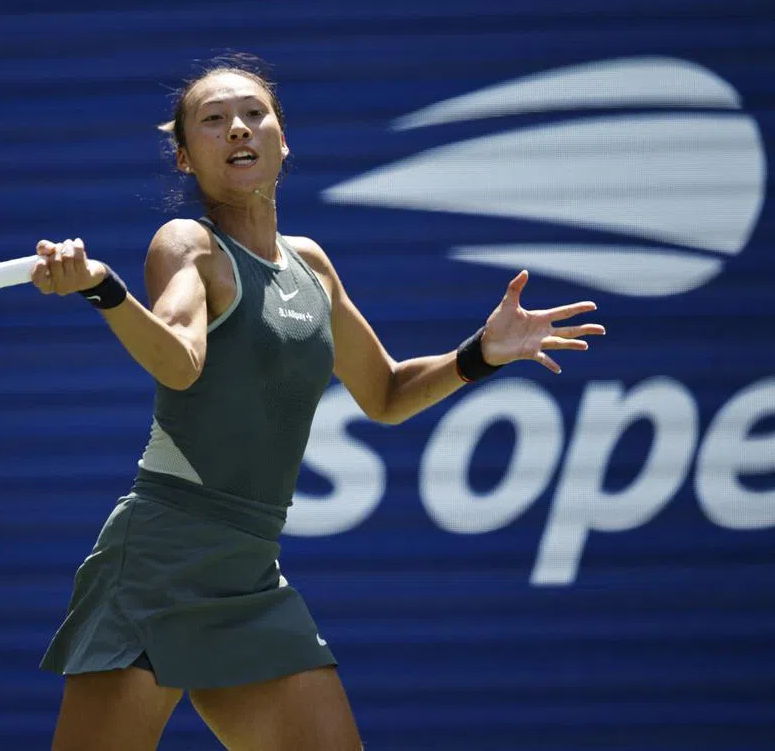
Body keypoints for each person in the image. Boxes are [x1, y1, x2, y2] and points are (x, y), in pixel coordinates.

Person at [31, 55, 605, 751]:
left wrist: (479, 354)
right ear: (184, 158)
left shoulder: (313, 266)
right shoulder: (187, 246)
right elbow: (181, 363)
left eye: (253, 113)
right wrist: (104, 290)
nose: (237, 127)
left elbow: (386, 393)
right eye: (212, 121)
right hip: (158, 562)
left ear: (282, 138)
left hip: (251, 575)